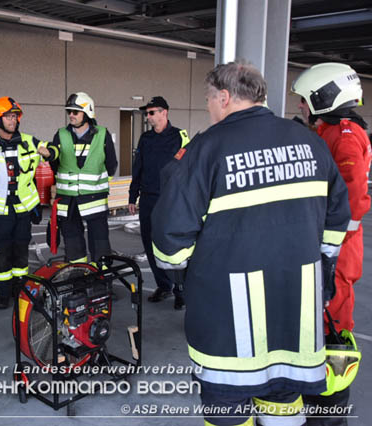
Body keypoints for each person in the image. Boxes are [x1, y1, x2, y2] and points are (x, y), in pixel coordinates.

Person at [152, 60, 350, 426]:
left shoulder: (206, 148)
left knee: (227, 410)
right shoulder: (310, 142)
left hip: (227, 328)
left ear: (224, 97)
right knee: (284, 404)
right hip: (295, 319)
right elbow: (337, 218)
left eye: (210, 98)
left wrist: (182, 273)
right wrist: (321, 265)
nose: (209, 106)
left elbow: (170, 237)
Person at [292, 62, 370, 425]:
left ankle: (329, 410)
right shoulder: (329, 131)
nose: (301, 107)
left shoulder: (346, 135)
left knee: (333, 322)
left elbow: (350, 198)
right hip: (327, 242)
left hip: (336, 248)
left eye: (305, 101)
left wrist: (328, 244)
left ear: (325, 97)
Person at [0, 96, 53, 309]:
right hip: (0, 210)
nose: (12, 121)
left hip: (24, 207)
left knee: (21, 249)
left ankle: (20, 288)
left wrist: (50, 152)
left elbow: (51, 150)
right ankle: (3, 292)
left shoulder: (29, 141)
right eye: (7, 117)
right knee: (2, 252)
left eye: (14, 116)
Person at [128, 96, 189, 309]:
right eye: (147, 113)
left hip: (171, 201)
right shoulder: (145, 139)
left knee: (173, 247)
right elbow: (138, 169)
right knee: (149, 244)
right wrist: (132, 196)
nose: (149, 117)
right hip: (148, 199)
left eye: (152, 112)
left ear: (165, 112)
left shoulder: (180, 137)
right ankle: (164, 286)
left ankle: (181, 289)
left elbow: (188, 170)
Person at [48, 92, 118, 264]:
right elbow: (54, 163)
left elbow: (111, 165)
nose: (71, 115)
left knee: (100, 242)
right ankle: (78, 277)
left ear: (87, 113)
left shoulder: (102, 134)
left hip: (94, 199)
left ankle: (101, 278)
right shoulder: (61, 135)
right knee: (72, 243)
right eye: (69, 112)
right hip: (68, 200)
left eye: (75, 112)